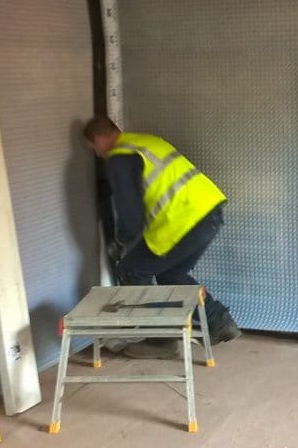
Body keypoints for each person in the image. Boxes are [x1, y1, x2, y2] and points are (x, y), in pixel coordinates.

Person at [83, 115, 241, 359]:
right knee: (171, 274)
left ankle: (162, 340)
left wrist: (120, 243)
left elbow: (132, 217)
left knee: (132, 270)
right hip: (209, 212)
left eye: (93, 148)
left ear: (99, 140)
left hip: (181, 222)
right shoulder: (147, 142)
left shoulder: (119, 158)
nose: (96, 154)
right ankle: (219, 322)